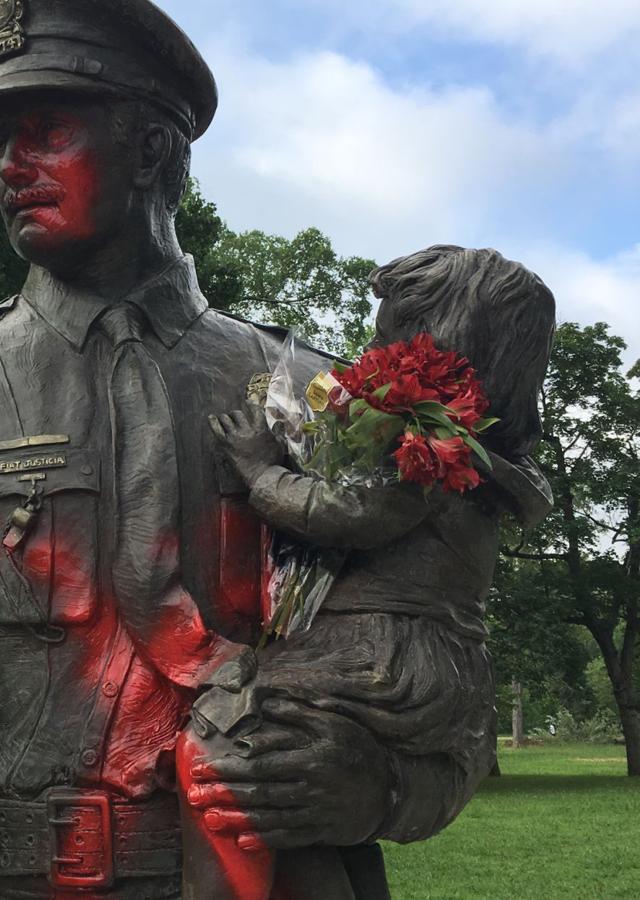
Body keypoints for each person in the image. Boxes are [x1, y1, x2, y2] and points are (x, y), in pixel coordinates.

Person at [0, 4, 496, 898]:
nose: (11, 166)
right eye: (3, 141)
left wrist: (378, 789)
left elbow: (450, 704)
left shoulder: (325, 404)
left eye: (47, 131)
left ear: (151, 151)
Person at [195, 246, 555, 896]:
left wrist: (260, 471)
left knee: (239, 750)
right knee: (330, 829)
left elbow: (347, 513)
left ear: (442, 353)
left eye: (387, 338)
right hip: (432, 661)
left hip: (376, 659)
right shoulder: (475, 462)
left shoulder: (432, 454)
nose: (365, 354)